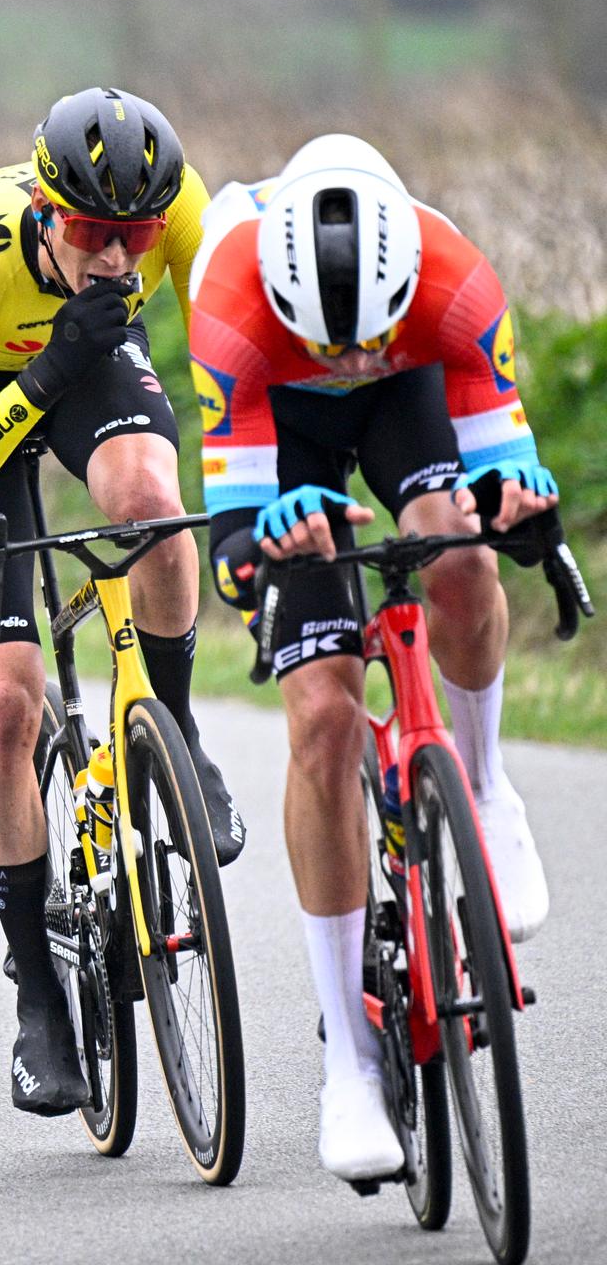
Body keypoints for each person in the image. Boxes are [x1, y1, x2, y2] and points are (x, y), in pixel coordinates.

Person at [189, 133, 558, 1180]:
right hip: (280, 433)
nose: (349, 361)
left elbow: (508, 481)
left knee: (462, 557)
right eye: (330, 344)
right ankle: (347, 1058)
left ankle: (484, 784)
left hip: (413, 397)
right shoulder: (229, 294)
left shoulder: (454, 280)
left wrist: (521, 512)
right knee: (321, 716)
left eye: (367, 340)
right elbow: (234, 555)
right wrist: (265, 544)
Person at [0, 87, 243, 1116]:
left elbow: (236, 351)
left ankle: (173, 728)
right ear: (47, 213)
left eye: (138, 237)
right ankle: (39, 998)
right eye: (93, 233)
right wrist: (46, 373)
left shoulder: (178, 213)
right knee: (5, 702)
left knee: (154, 506)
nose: (120, 258)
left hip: (93, 358)